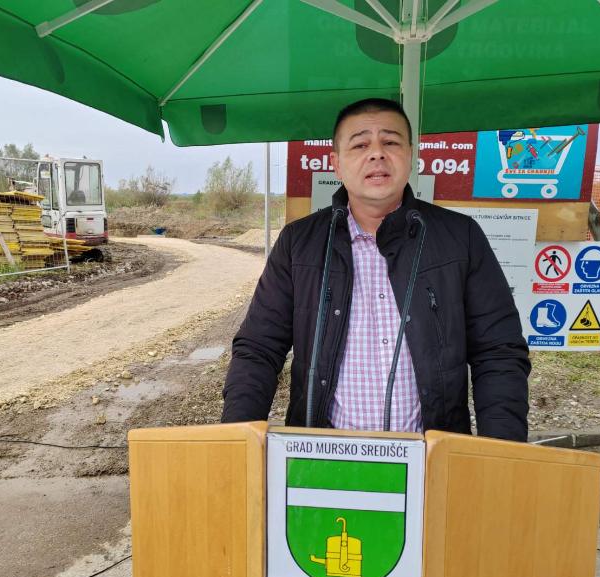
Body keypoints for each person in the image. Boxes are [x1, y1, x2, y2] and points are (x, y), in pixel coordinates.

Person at [222, 98, 530, 441]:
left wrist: (501, 454)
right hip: (322, 457)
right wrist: (236, 441)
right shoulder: (299, 244)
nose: (377, 154)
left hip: (433, 456)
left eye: (390, 142)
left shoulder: (461, 237)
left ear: (410, 156)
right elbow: (258, 349)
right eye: (360, 145)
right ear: (336, 165)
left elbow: (498, 352)